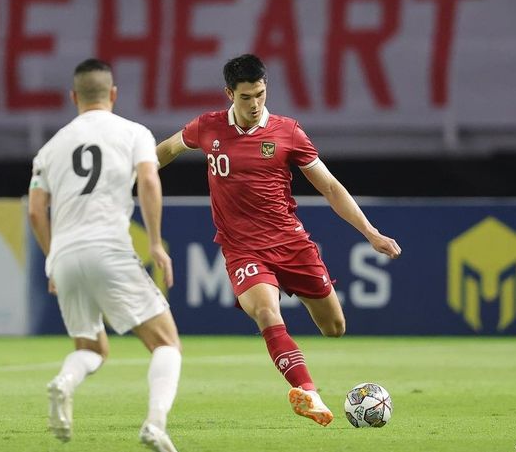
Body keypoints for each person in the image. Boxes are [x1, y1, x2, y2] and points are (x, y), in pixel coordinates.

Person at [156, 54, 401, 427]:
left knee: (334, 328)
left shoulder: (288, 132)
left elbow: (331, 187)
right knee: (267, 313)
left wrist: (370, 233)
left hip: (292, 244)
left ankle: (298, 356)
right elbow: (169, 149)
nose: (254, 105)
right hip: (242, 248)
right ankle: (309, 393)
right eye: (245, 97)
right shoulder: (207, 127)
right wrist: (130, 172)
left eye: (260, 94)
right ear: (229, 94)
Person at [28, 58, 181, 452]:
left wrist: (50, 261)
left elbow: (34, 210)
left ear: (73, 97)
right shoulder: (134, 133)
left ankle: (64, 381)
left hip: (64, 254)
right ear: (113, 94)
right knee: (166, 343)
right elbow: (148, 179)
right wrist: (155, 243)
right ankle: (155, 423)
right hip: (109, 247)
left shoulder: (50, 147)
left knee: (93, 348)